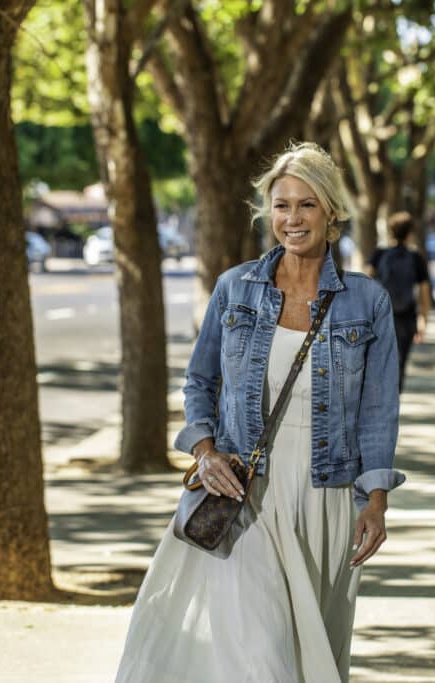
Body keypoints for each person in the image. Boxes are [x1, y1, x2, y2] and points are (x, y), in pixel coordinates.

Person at [115, 142, 405, 683]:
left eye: (306, 205)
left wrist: (377, 501)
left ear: (332, 212)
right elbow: (200, 381)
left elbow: (379, 410)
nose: (292, 219)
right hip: (246, 489)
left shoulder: (369, 302)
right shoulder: (236, 289)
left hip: (327, 493)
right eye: (281, 206)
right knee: (259, 652)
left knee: (313, 647)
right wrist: (204, 453)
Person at [367, 212, 430, 392]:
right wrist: (423, 320)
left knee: (380, 361)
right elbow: (424, 293)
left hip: (380, 317)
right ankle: (394, 401)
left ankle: (379, 401)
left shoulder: (379, 254)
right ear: (410, 233)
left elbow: (364, 284)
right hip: (406, 318)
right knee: (399, 363)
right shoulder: (415, 258)